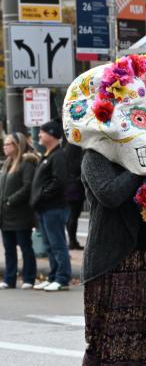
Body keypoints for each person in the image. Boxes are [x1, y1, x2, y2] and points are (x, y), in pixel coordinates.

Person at [63, 55, 146, 366]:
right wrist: (139, 166)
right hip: (113, 263)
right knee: (111, 341)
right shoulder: (95, 157)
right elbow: (110, 195)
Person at [31, 120, 71, 292]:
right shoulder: (48, 155)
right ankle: (53, 276)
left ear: (52, 134)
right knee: (49, 245)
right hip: (45, 208)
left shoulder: (58, 156)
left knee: (57, 243)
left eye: (42, 132)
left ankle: (62, 278)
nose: (39, 135)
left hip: (53, 207)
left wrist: (42, 195)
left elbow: (59, 181)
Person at [0, 132, 39, 290]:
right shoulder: (7, 163)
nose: (4, 147)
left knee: (25, 247)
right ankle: (9, 278)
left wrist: (11, 200)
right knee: (9, 249)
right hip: (5, 215)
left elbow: (27, 186)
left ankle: (29, 277)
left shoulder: (26, 162)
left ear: (16, 145)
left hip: (20, 214)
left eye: (7, 144)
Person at [63, 141, 85, 250]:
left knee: (70, 217)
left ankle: (71, 240)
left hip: (67, 189)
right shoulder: (80, 158)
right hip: (77, 189)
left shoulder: (64, 155)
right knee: (74, 217)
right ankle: (73, 241)